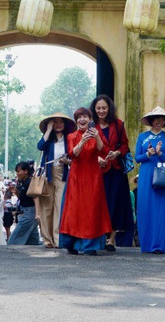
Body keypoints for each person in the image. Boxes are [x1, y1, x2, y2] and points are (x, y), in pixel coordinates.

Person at [59, 107, 112, 255]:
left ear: (90, 120)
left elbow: (104, 151)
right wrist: (82, 141)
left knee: (92, 209)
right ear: (76, 121)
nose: (82, 120)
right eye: (79, 117)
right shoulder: (71, 136)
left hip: (93, 176)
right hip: (76, 176)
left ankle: (90, 245)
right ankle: (72, 243)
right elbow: (72, 154)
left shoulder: (97, 133)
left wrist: (97, 137)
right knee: (74, 210)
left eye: (85, 117)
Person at [91, 95, 134, 249]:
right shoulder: (91, 127)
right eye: (98, 108)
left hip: (116, 169)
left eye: (104, 108)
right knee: (99, 204)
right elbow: (87, 148)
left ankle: (111, 240)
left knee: (115, 204)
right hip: (97, 171)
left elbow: (125, 145)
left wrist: (116, 153)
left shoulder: (118, 124)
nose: (101, 111)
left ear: (109, 108)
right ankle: (100, 236)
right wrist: (96, 159)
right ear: (94, 110)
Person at [135, 106, 165, 254]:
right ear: (151, 121)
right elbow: (137, 157)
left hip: (162, 176)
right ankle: (146, 245)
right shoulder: (142, 137)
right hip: (146, 174)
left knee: (161, 211)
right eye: (156, 119)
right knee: (145, 208)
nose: (159, 122)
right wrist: (148, 154)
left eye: (162, 119)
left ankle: (160, 245)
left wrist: (160, 154)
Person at [36, 112, 74, 248]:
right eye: (55, 122)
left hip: (62, 173)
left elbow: (73, 157)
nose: (58, 125)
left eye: (60, 122)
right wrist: (48, 130)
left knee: (60, 206)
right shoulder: (48, 139)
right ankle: (47, 239)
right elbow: (40, 146)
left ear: (65, 125)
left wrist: (67, 161)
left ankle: (58, 239)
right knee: (46, 207)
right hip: (47, 174)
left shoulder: (69, 138)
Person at [8, 162, 42, 245]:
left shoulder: (30, 182)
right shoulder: (22, 182)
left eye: (19, 171)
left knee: (13, 241)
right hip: (26, 211)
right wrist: (15, 191)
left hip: (29, 213)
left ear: (26, 171)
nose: (17, 174)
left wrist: (37, 214)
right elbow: (22, 198)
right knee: (33, 242)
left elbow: (35, 198)